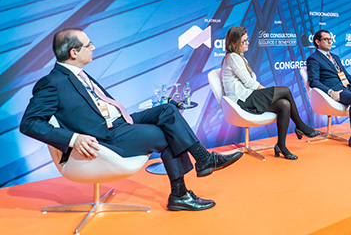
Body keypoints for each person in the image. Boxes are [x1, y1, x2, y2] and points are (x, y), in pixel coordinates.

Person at [20, 28, 243, 211]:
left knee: (168, 110)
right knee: (165, 134)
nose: (93, 48)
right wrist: (73, 139)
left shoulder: (79, 75)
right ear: (74, 52)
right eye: (89, 45)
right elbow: (30, 123)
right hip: (105, 135)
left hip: (119, 122)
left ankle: (203, 159)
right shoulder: (52, 83)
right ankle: (180, 193)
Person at [221, 26, 320, 160]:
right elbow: (249, 83)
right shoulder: (233, 57)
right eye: (243, 41)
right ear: (233, 43)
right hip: (242, 99)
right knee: (285, 90)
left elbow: (249, 82)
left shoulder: (240, 57)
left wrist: (267, 93)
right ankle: (300, 125)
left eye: (247, 40)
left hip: (248, 96)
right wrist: (266, 92)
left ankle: (281, 145)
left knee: (284, 104)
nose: (247, 43)